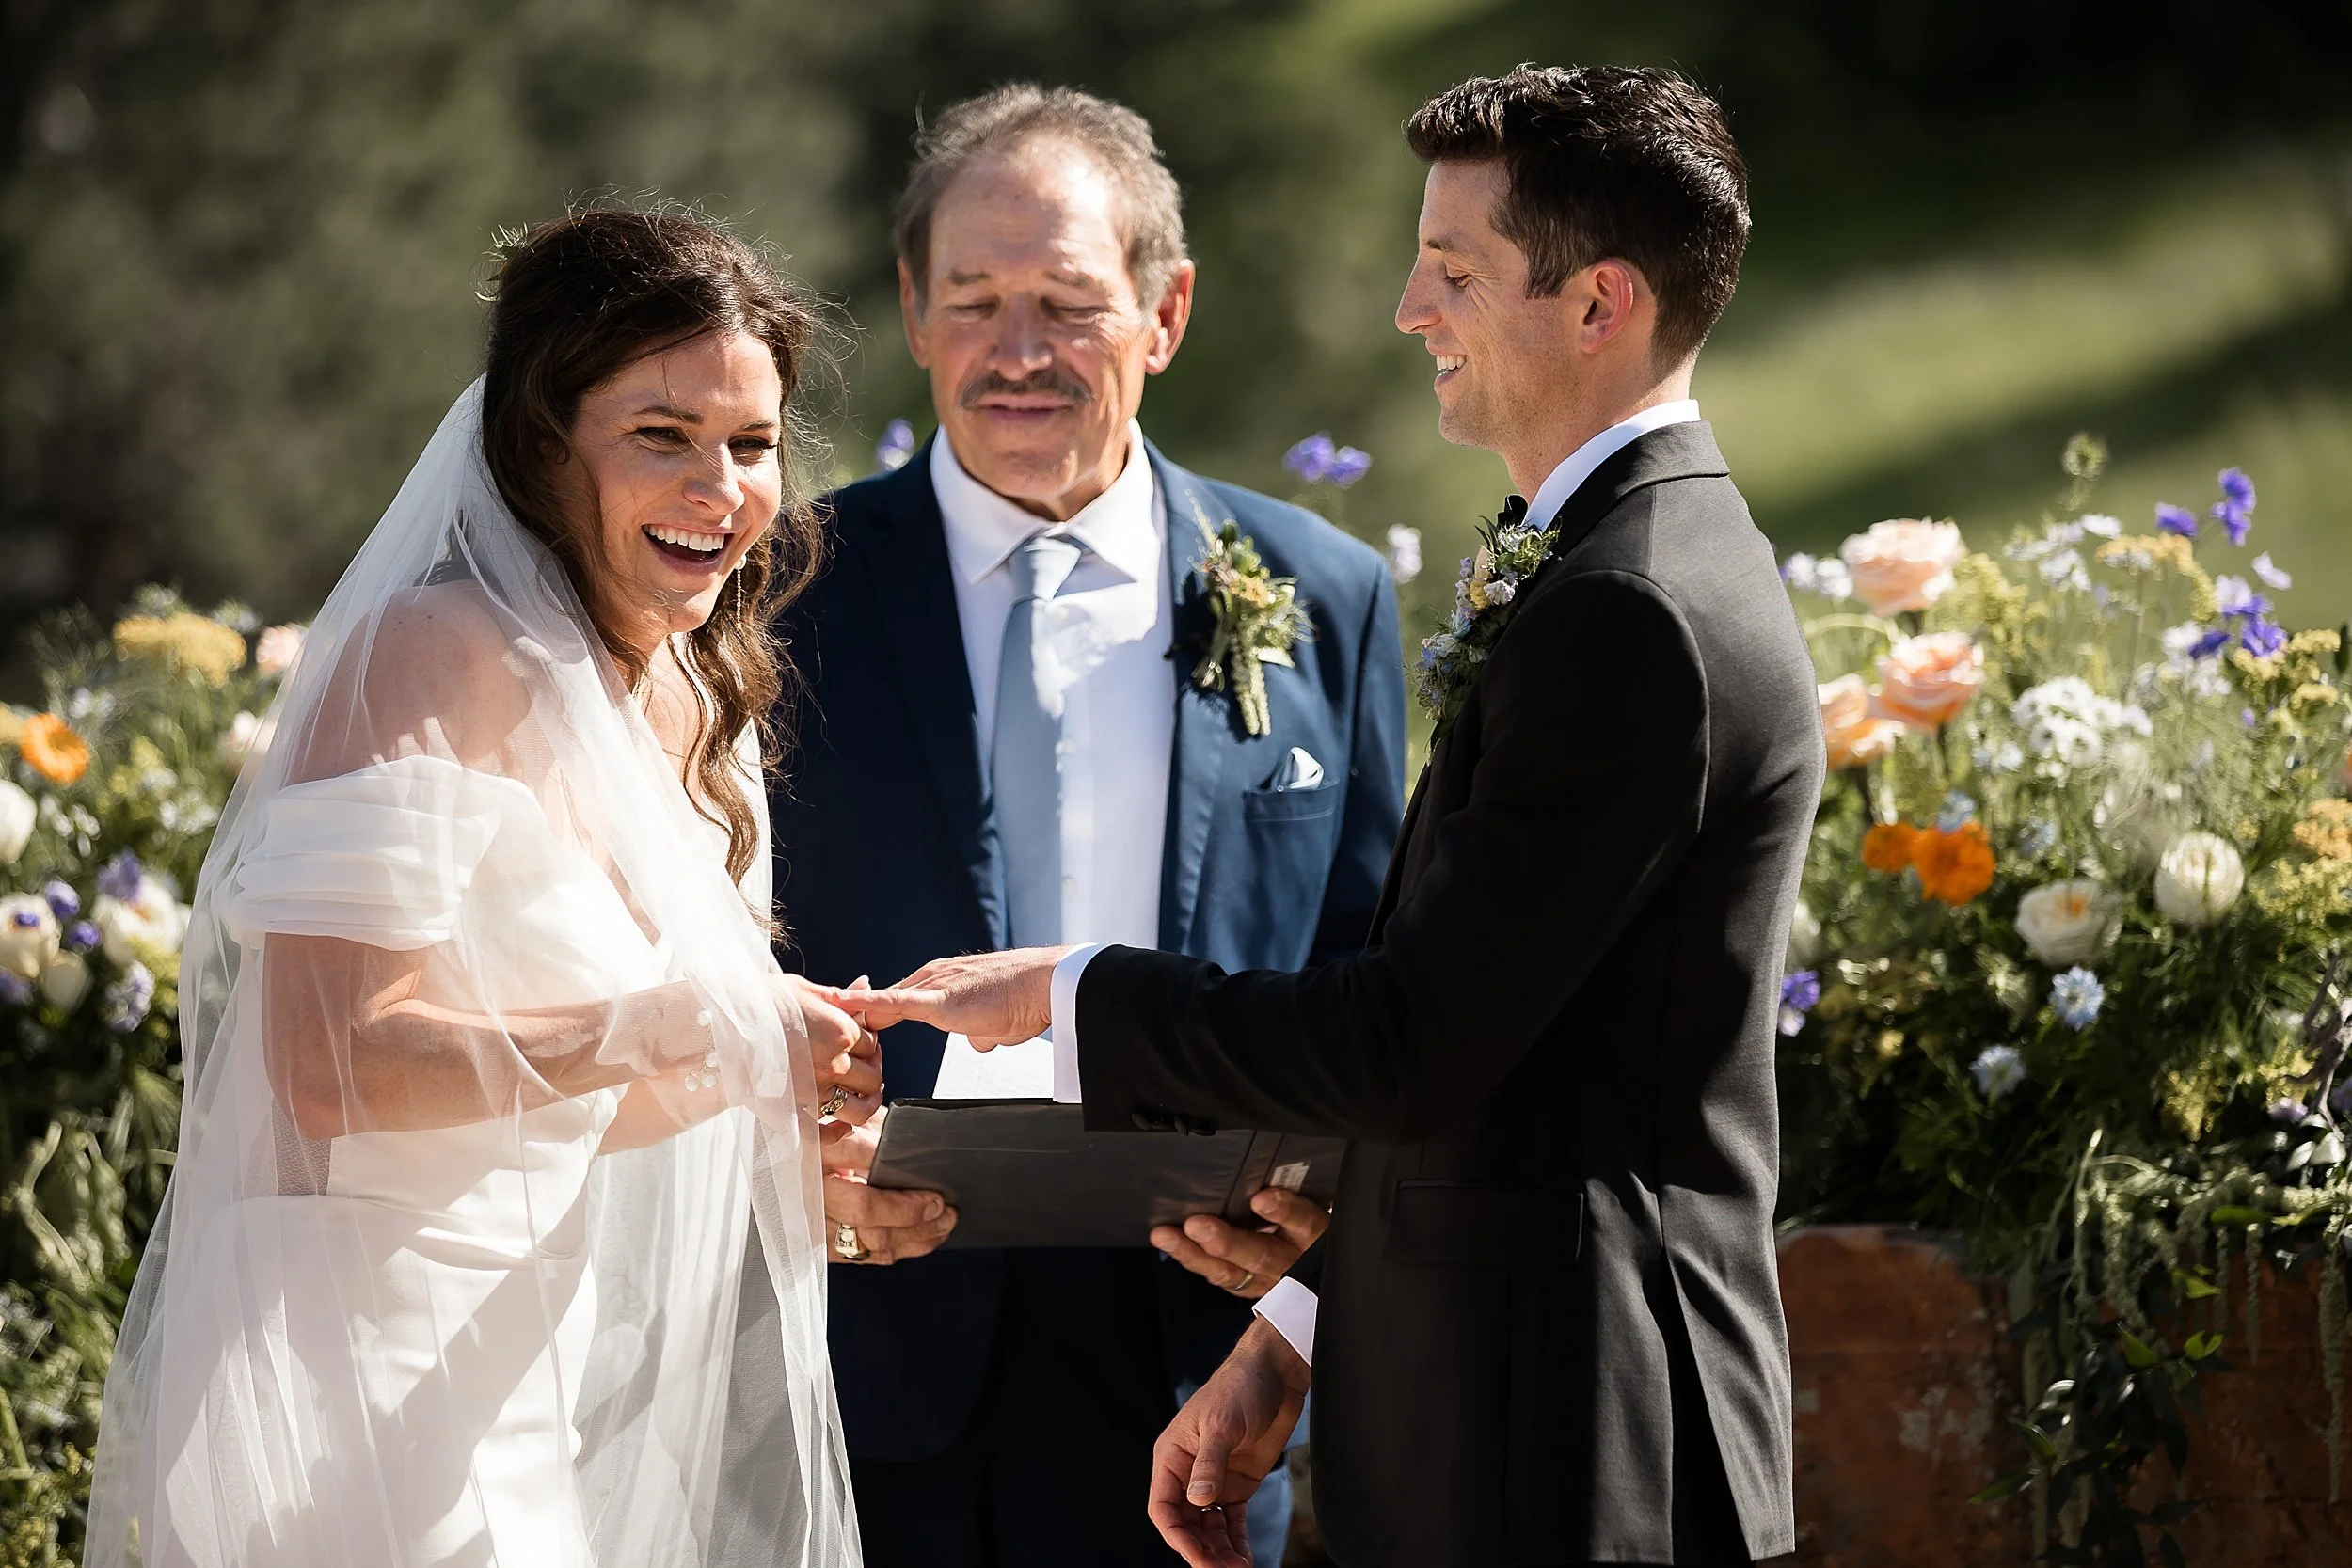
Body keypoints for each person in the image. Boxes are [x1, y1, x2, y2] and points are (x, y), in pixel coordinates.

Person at [839, 65, 1819, 1568]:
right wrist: (1294, 1333)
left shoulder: (1625, 601)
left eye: (1454, 270)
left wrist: (1067, 993)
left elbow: (1405, 1032)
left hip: (1569, 1418)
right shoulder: (1611, 567)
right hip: (918, 1381)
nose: (1411, 309)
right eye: (970, 299)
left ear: (1598, 303)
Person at [86, 208, 878, 1568]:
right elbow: (331, 1067)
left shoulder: (689, 696)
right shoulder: (428, 655)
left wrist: (776, 1073)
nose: (722, 487)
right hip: (353, 1364)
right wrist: (679, 1023)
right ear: (540, 436)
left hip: (524, 1362)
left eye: (751, 443)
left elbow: (572, 1104)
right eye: (661, 434)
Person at [769, 86, 1405, 1568]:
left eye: (1067, 301)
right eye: (975, 300)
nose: (1018, 351)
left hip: (1200, 1358)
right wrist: (787, 1176)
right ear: (915, 314)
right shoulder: (777, 596)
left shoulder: (1323, 596)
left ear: (1164, 312)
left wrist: (1311, 1250)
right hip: (867, 1353)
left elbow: (1372, 973)